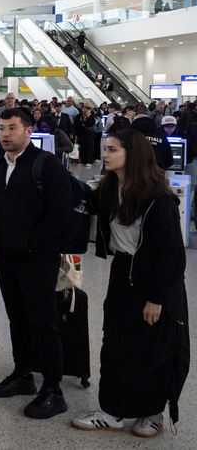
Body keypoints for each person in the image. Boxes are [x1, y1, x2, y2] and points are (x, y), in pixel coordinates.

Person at [71, 129, 189, 437]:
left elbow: (172, 255)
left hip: (156, 279)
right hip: (124, 271)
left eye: (112, 149)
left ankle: (151, 412)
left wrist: (157, 298)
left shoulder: (159, 199)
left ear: (132, 154)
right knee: (116, 342)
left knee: (152, 346)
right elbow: (81, 197)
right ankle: (112, 411)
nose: (105, 154)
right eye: (105, 149)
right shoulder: (111, 187)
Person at [0, 108, 73, 419]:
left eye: (12, 128)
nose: (5, 134)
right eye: (1, 129)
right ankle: (23, 375)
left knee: (43, 322)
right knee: (16, 319)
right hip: (6, 258)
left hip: (37, 260)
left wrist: (33, 243)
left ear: (28, 130)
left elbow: (61, 212)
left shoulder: (45, 165)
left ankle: (53, 389)